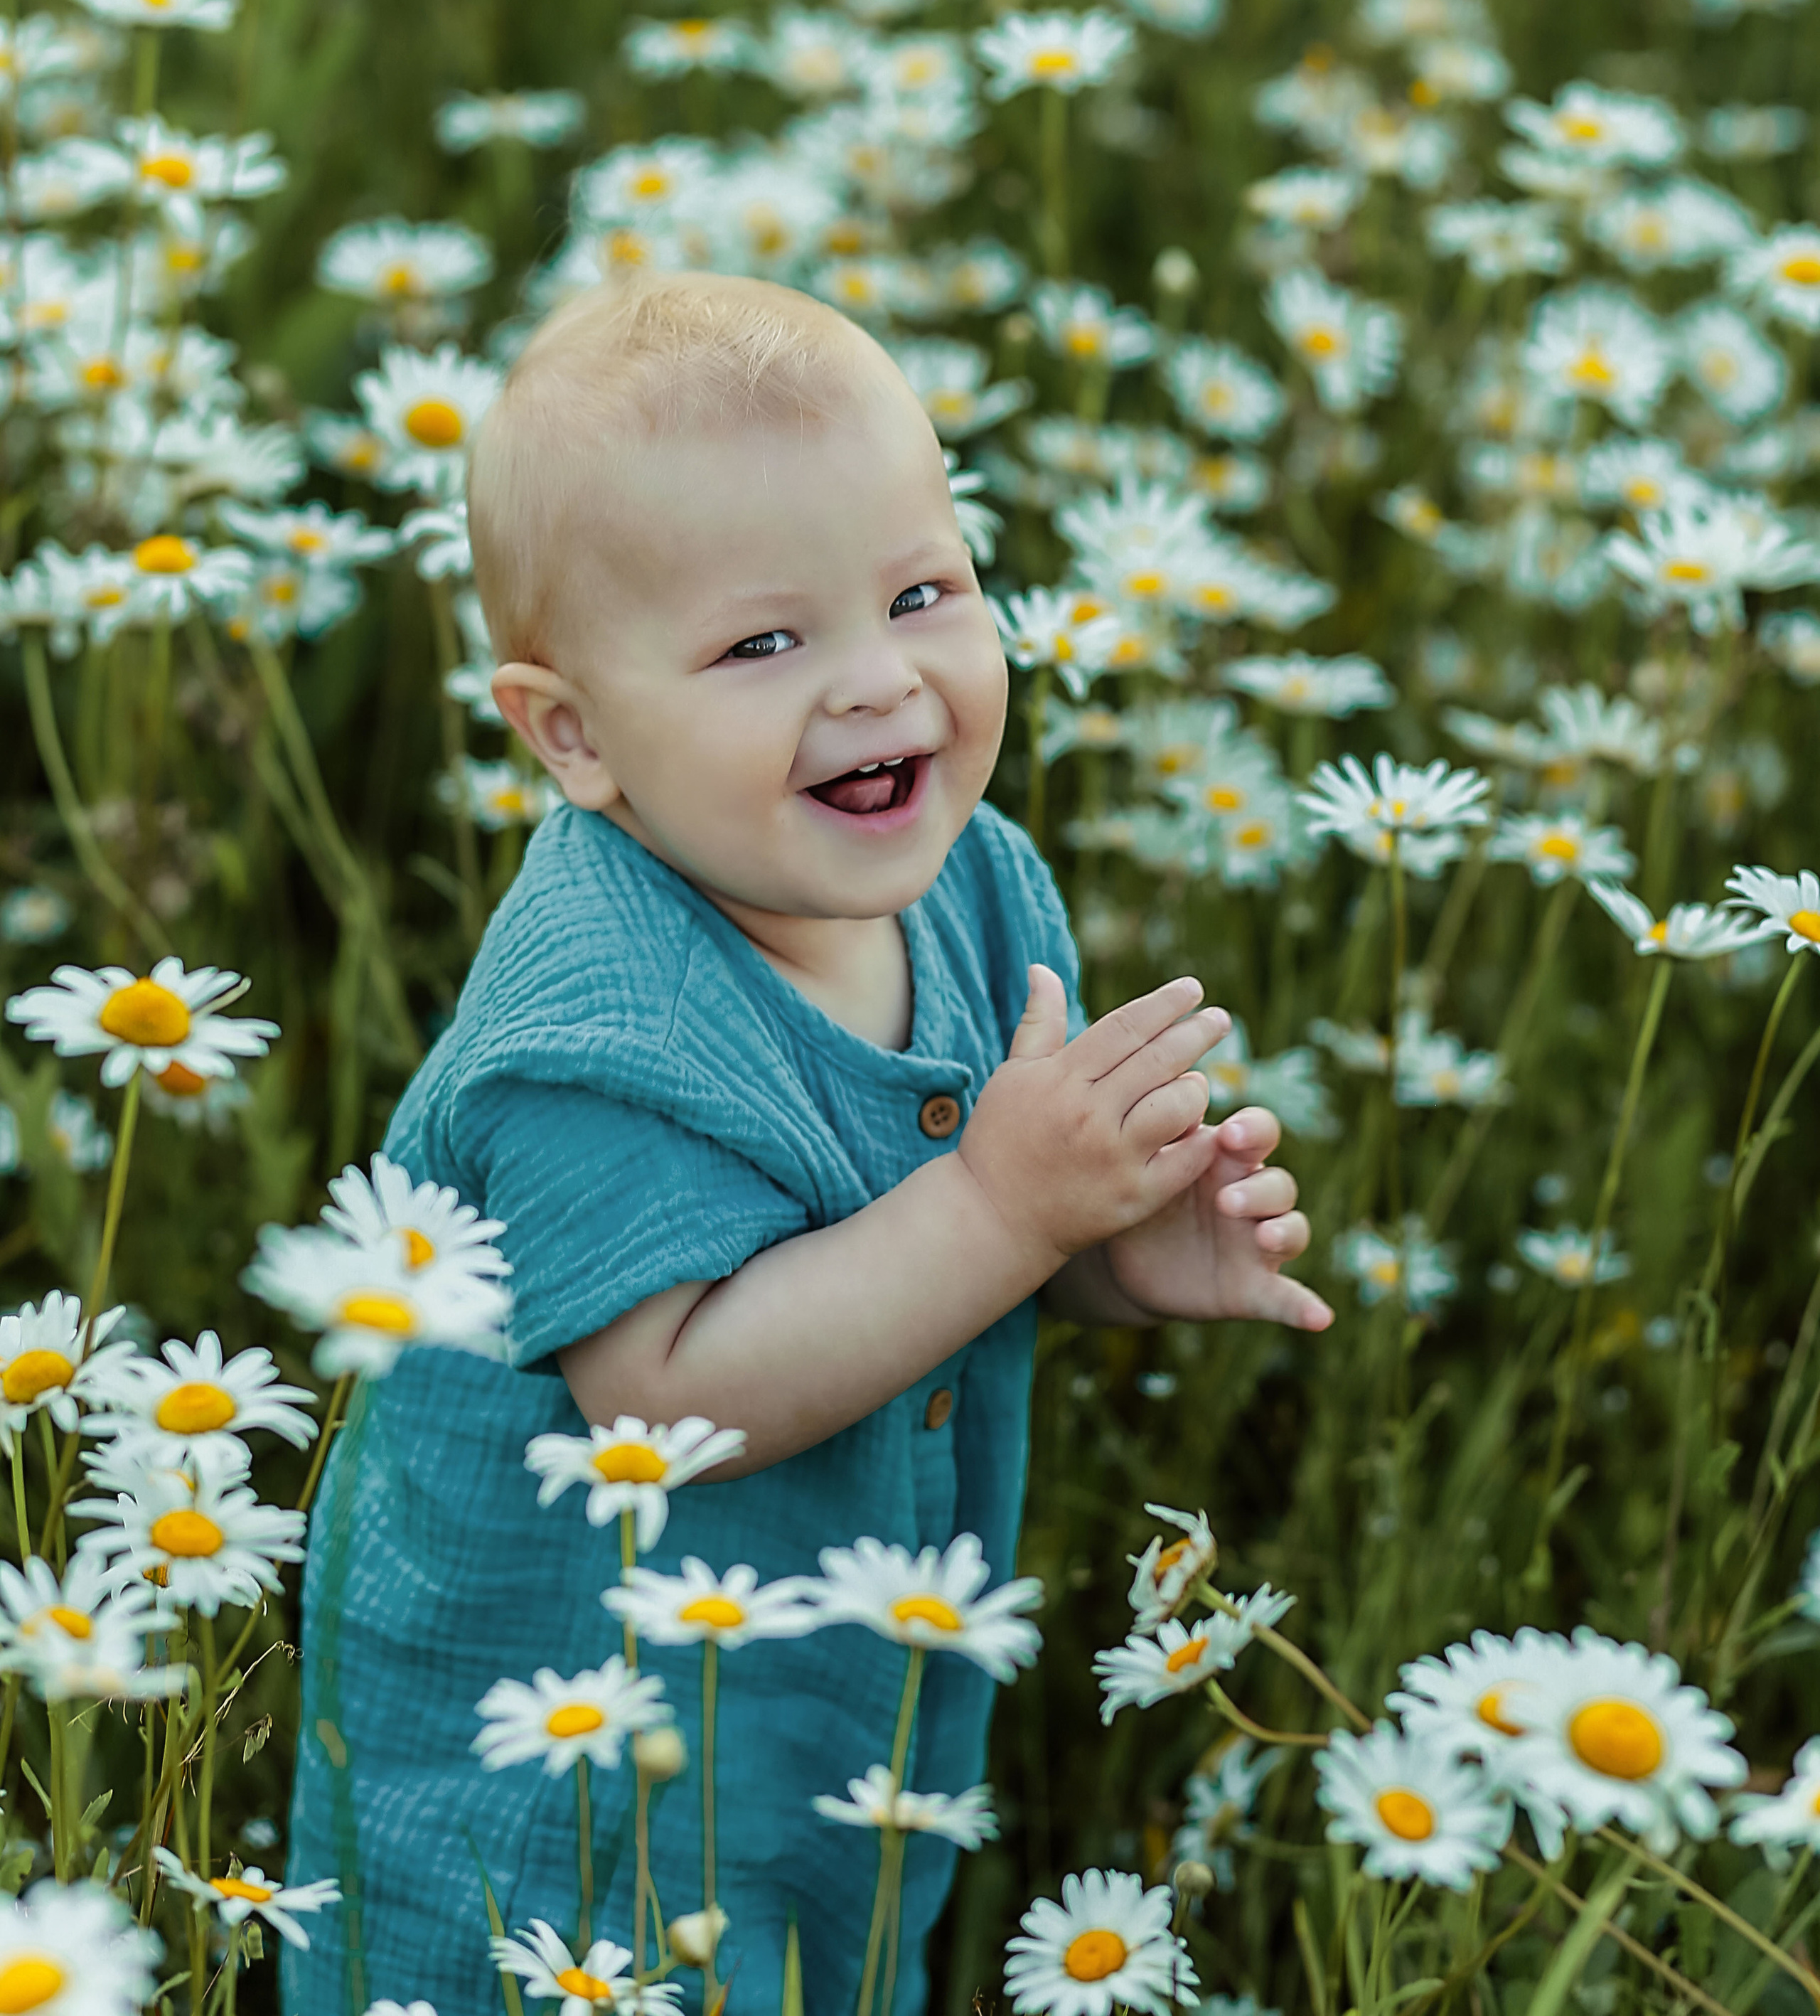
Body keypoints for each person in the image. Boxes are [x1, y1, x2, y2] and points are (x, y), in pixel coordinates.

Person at [284, 271, 1331, 2016]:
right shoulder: (590, 1031)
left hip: (820, 1722)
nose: (876, 684)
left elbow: (918, 1262)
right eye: (764, 645)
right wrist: (1003, 1206)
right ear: (574, 734)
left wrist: (1100, 1258)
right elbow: (669, 1401)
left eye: (921, 592)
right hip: (555, 1804)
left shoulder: (981, 891)